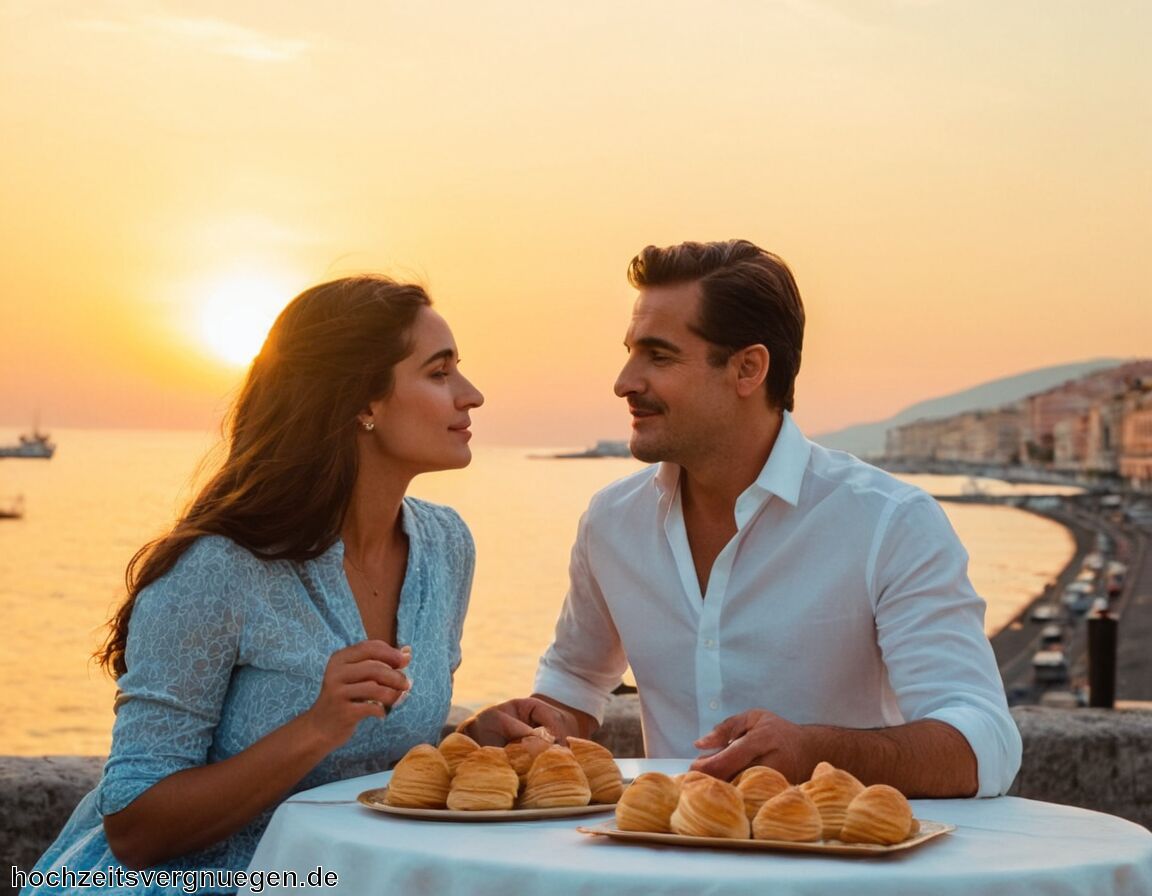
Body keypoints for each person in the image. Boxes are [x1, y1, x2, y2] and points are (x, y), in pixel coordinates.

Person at [461, 239, 1021, 798]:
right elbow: (574, 683)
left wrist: (814, 752)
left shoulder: (891, 524)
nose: (624, 381)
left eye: (658, 356)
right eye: (631, 352)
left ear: (748, 368)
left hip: (837, 876)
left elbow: (986, 745)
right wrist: (534, 725)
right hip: (664, 868)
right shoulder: (611, 523)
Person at [25, 275, 484, 893]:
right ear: (363, 402)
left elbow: (374, 758)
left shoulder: (446, 547)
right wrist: (316, 726)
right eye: (439, 372)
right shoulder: (219, 569)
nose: (472, 395)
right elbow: (134, 827)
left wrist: (473, 742)